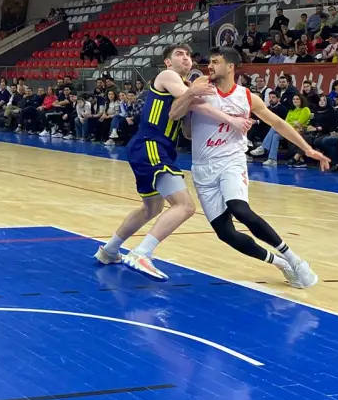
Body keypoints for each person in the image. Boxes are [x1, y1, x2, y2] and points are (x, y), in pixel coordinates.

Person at [95, 44, 245, 281]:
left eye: (188, 54)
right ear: (167, 62)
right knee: (185, 206)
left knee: (152, 208)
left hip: (155, 149)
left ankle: (109, 250)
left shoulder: (186, 88)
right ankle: (142, 253)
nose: (185, 58)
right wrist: (230, 119)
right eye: (179, 54)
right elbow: (192, 100)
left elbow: (187, 132)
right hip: (151, 144)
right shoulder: (168, 76)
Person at [190, 47, 325, 286]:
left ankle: (294, 259)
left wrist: (307, 148)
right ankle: (280, 263)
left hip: (231, 161)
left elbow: (278, 123)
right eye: (209, 61)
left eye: (215, 62)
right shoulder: (202, 86)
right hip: (202, 166)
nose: (209, 66)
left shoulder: (247, 96)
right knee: (225, 233)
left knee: (239, 209)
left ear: (230, 67)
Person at [256, 93, 310, 165]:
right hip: (288, 131)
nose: (295, 100)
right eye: (294, 99)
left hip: (297, 132)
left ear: (302, 100)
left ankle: (263, 148)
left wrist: (291, 124)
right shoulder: (291, 111)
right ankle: (272, 159)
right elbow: (286, 123)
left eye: (297, 99)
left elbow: (299, 123)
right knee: (275, 135)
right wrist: (293, 123)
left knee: (275, 126)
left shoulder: (305, 110)